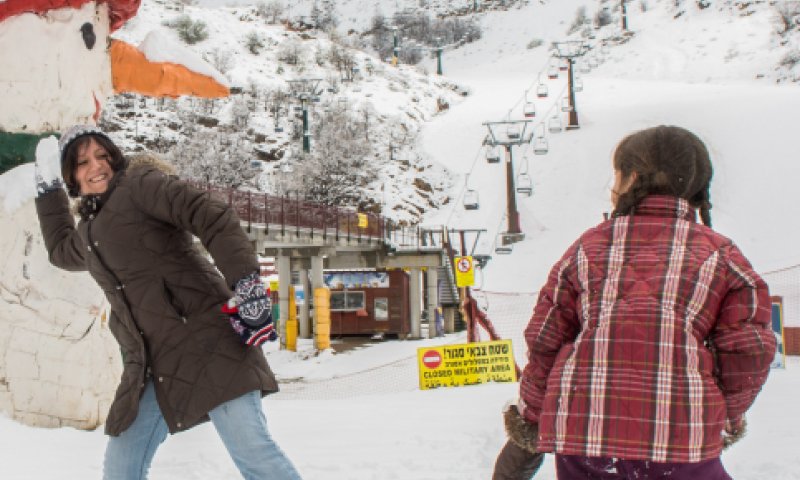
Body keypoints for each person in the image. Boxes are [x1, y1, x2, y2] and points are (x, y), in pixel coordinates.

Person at [494, 125, 776, 479]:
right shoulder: (721, 254)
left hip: (584, 430)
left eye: (617, 175)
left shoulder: (588, 246)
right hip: (680, 431)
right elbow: (748, 349)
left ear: (631, 179)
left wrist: (531, 419)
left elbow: (546, 340)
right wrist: (724, 415)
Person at [33, 125, 302, 480]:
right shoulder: (89, 233)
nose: (96, 166)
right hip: (151, 366)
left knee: (255, 455)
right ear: (72, 178)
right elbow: (59, 251)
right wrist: (45, 187)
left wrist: (248, 284)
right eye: (82, 162)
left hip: (210, 345)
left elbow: (209, 214)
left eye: (102, 155)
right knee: (121, 469)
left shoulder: (141, 185)